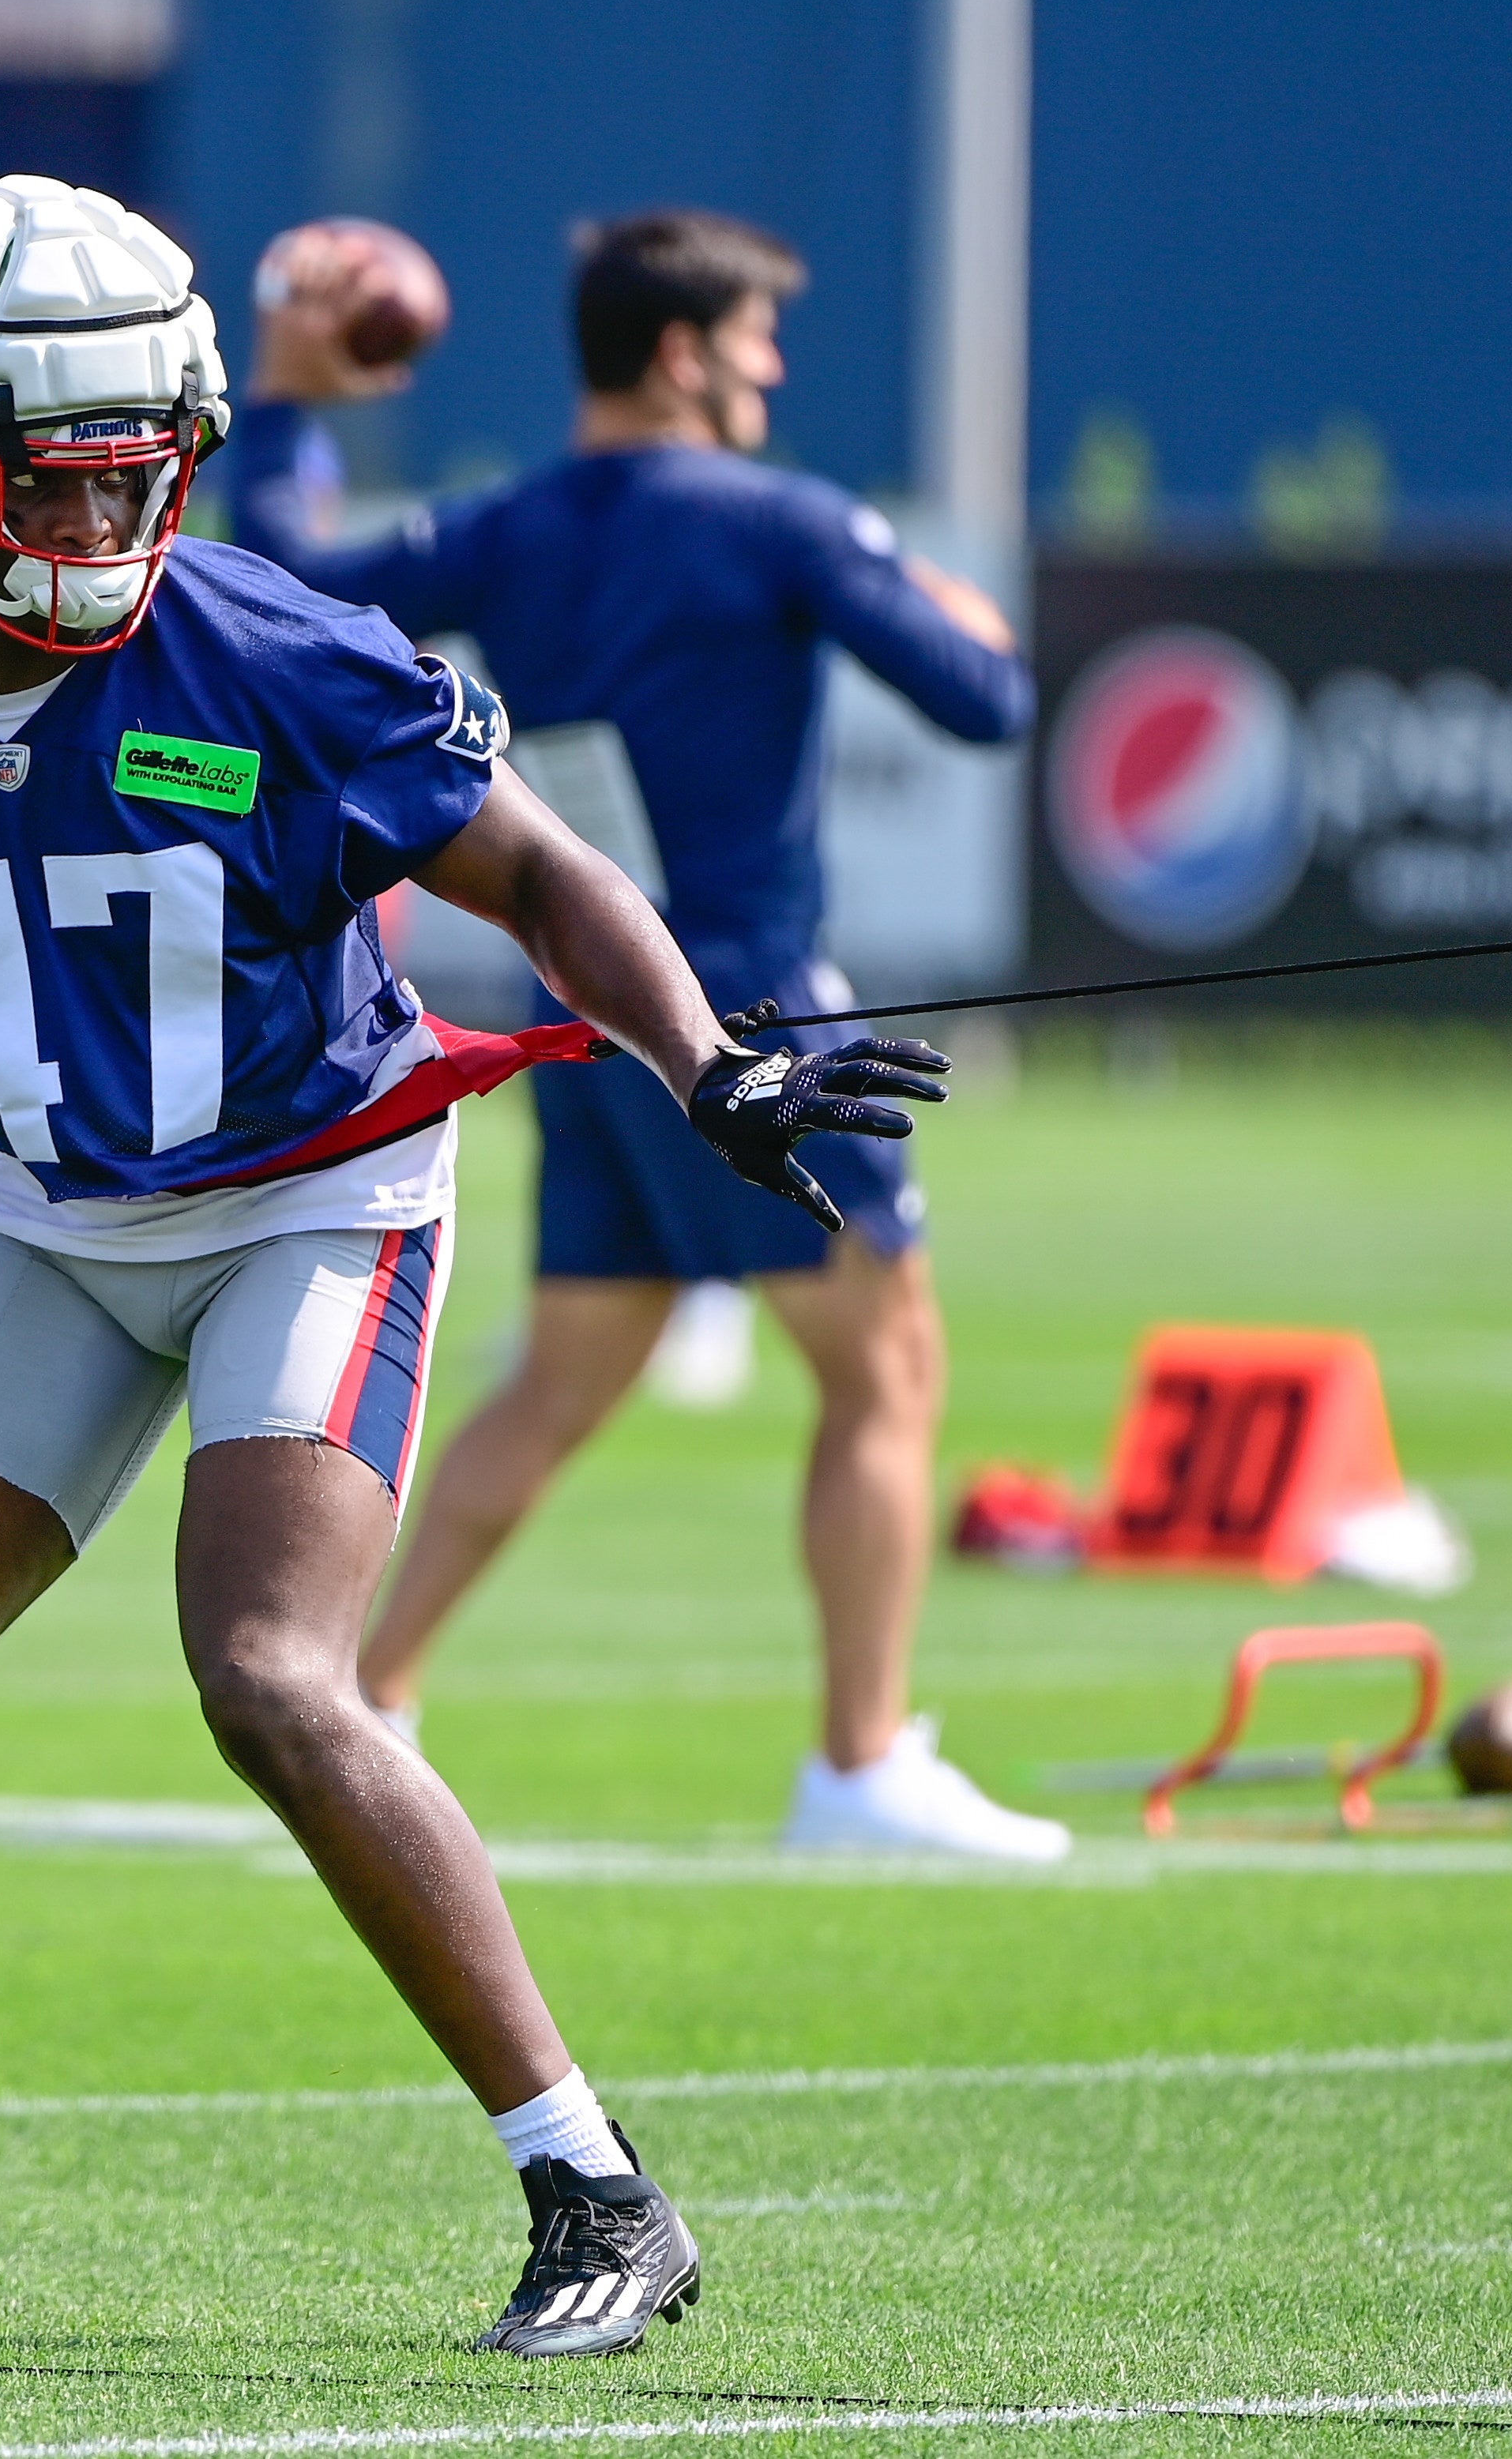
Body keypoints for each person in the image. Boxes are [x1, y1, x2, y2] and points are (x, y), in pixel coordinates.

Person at [0, 175, 947, 2353]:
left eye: (143, 468)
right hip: (52, 1204)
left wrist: (707, 1059)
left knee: (267, 1671)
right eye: (57, 481)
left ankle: (594, 2189)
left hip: (312, 1188)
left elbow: (537, 870)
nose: (109, 521)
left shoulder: (260, 646)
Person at [230, 208, 1066, 1862]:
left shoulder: (508, 526)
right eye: (757, 343)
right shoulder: (782, 520)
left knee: (559, 1378)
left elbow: (274, 584)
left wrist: (285, 396)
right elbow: (988, 706)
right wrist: (957, 608)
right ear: (682, 354)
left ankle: (363, 1697)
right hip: (747, 1009)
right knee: (886, 1364)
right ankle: (858, 1760)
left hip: (585, 1004)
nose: (771, 371)